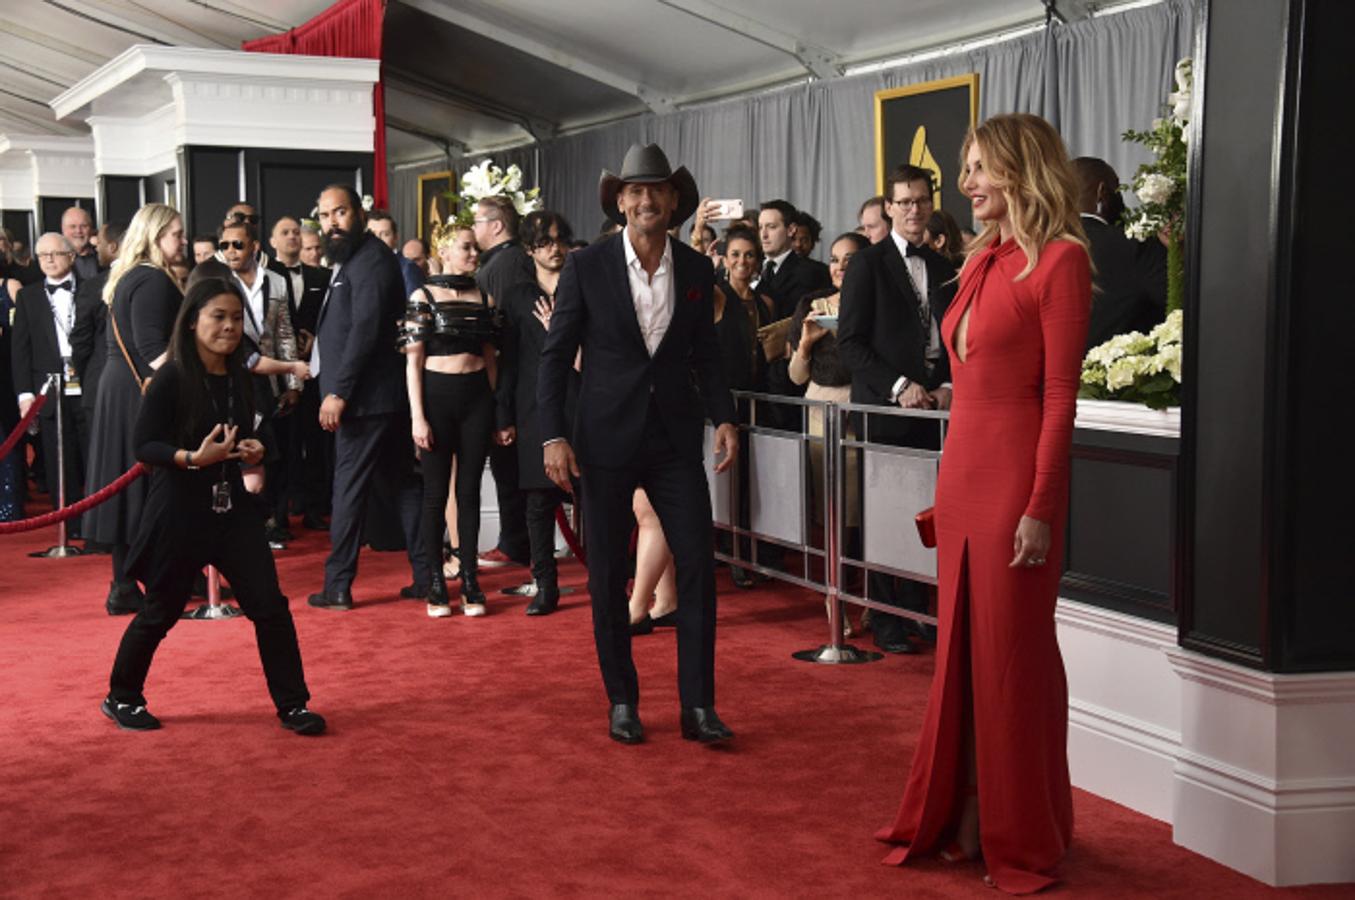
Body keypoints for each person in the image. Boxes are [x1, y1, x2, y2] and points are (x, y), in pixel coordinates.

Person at [876, 113, 1092, 894]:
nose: (963, 185)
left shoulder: (1060, 261)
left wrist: (1040, 505)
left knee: (1010, 661)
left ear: (1019, 170)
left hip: (1013, 486)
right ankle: (966, 809)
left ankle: (1021, 828)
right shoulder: (977, 263)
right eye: (963, 169)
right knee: (960, 658)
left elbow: (1059, 398)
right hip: (962, 475)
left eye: (977, 169)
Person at [538, 142, 739, 746]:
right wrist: (552, 433)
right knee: (606, 574)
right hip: (602, 438)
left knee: (699, 565)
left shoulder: (698, 269)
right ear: (620, 201)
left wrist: (724, 417)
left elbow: (707, 354)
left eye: (657, 190)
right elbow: (553, 359)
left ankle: (698, 707)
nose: (646, 199)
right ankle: (622, 699)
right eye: (635, 191)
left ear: (674, 201)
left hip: (675, 439)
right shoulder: (586, 266)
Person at [101, 277, 324, 736]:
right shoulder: (172, 376)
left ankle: (293, 705)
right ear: (194, 320)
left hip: (234, 509)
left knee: (270, 607)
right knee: (160, 611)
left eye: (236, 318)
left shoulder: (241, 374)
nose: (228, 326)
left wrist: (254, 450)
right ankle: (121, 696)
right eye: (218, 316)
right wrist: (191, 459)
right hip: (180, 510)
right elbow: (145, 445)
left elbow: (254, 432)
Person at [837, 163, 957, 656]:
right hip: (885, 412)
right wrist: (900, 384)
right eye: (904, 201)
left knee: (927, 516)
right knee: (885, 516)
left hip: (933, 414)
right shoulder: (867, 264)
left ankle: (919, 612)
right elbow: (850, 344)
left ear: (932, 204)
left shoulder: (945, 264)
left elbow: (952, 334)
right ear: (888, 208)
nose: (914, 209)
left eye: (921, 200)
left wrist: (947, 381)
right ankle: (886, 618)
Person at [307, 185, 430, 611]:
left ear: (358, 213)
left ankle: (337, 585)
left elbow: (366, 329)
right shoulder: (353, 258)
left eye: (339, 212)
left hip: (366, 400)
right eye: (324, 216)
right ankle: (427, 577)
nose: (331, 223)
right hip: (378, 399)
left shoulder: (373, 259)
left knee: (350, 489)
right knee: (405, 485)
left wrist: (339, 390)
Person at [84, 203, 186, 616]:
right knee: (150, 488)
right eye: (176, 233)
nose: (182, 240)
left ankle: (129, 582)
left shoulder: (129, 276)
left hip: (120, 388)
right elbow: (151, 350)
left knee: (132, 489)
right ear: (155, 235)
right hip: (137, 391)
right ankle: (142, 581)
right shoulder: (152, 280)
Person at [405, 223, 498, 617]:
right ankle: (436, 583)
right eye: (466, 247)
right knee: (435, 494)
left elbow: (492, 359)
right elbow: (413, 362)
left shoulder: (484, 298)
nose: (474, 254)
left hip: (477, 399)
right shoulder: (422, 295)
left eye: (476, 248)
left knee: (470, 492)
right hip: (437, 399)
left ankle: (471, 580)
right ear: (444, 250)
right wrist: (418, 418)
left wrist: (493, 407)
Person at [496, 210, 580, 617]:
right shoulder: (515, 296)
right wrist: (504, 415)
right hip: (532, 406)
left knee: (595, 496)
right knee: (537, 501)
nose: (555, 249)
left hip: (583, 399)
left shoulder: (583, 284)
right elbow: (508, 360)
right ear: (529, 249)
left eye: (560, 240)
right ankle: (545, 584)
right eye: (545, 242)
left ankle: (610, 576)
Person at [788, 233, 868, 616]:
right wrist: (806, 343)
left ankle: (868, 599)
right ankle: (833, 600)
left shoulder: (877, 305)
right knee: (830, 512)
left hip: (864, 415)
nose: (840, 267)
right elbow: (794, 376)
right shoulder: (812, 305)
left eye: (850, 259)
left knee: (864, 514)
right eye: (835, 260)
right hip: (821, 414)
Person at [472, 194, 534, 572]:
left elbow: (502, 336)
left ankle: (515, 543)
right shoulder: (511, 261)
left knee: (510, 469)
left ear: (496, 225)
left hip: (510, 380)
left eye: (478, 222)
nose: (474, 230)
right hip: (516, 379)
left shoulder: (500, 267)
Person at [11, 233, 89, 520]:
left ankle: (97, 522)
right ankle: (67, 521)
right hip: (48, 389)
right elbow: (20, 351)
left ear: (71, 256)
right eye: (43, 255)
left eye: (55, 253)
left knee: (91, 452)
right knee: (59, 458)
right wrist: (25, 395)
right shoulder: (27, 296)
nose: (50, 260)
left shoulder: (91, 290)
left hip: (88, 385)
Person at [267, 216, 332, 531]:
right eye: (285, 232)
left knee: (315, 442)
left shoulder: (323, 275)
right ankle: (278, 514)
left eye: (296, 232)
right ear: (272, 241)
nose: (292, 237)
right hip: (279, 371)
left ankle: (314, 508)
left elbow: (332, 318)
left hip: (317, 369)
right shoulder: (265, 276)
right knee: (283, 445)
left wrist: (316, 344)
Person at [1071, 156, 1167, 348]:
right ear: (1102, 192)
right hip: (1118, 374)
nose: (1120, 197)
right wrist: (1175, 253)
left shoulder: (1036, 246)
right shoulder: (1136, 245)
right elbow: (1178, 307)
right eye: (1118, 189)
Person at [70, 223, 126, 466]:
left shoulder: (93, 286)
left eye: (100, 243)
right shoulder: (156, 278)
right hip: (140, 384)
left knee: (103, 461)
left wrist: (87, 376)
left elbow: (80, 341)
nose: (96, 248)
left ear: (113, 247)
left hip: (99, 384)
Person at [367, 209, 424, 297]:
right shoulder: (359, 267)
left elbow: (415, 308)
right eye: (372, 234)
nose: (377, 240)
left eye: (385, 234)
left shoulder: (408, 268)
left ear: (395, 238)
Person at [62, 207, 99, 281]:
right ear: (63, 229)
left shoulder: (102, 254)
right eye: (73, 226)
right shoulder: (54, 257)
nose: (78, 231)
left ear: (91, 229)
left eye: (84, 226)